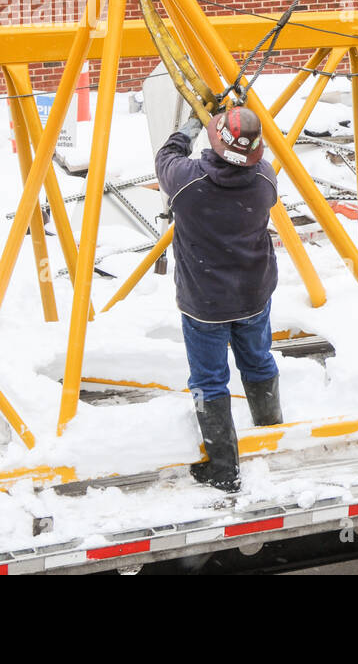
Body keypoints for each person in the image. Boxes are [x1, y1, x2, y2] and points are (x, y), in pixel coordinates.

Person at [156, 105, 283, 492]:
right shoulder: (264, 179)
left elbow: (166, 156)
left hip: (206, 303)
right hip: (252, 294)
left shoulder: (187, 183)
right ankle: (272, 437)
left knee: (210, 380)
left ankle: (224, 469)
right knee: (258, 360)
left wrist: (193, 125)